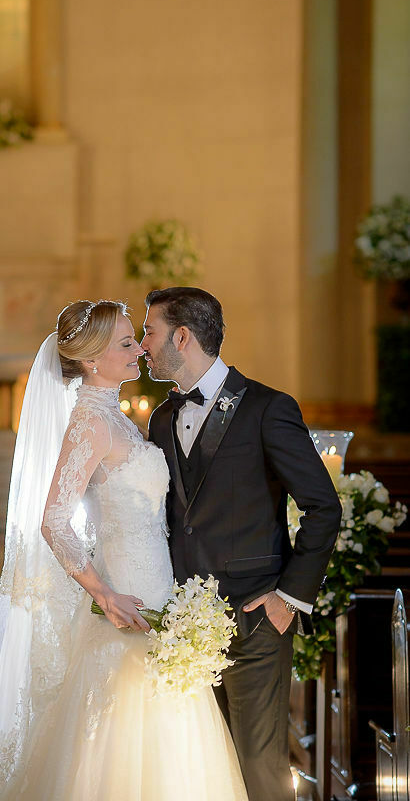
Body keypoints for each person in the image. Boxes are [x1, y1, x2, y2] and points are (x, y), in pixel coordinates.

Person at [0, 299, 248, 801]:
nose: (139, 349)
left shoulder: (115, 417)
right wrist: (104, 595)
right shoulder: (89, 424)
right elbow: (54, 521)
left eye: (135, 339)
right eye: (126, 343)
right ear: (93, 359)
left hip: (161, 594)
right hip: (128, 602)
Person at [143, 287, 342, 801]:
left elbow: (324, 507)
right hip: (182, 630)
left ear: (181, 337)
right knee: (201, 771)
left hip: (255, 621)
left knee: (259, 770)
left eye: (150, 332)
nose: (144, 345)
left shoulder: (267, 408)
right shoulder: (161, 419)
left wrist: (289, 598)